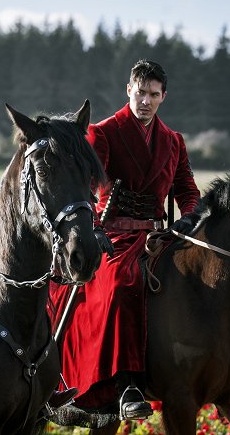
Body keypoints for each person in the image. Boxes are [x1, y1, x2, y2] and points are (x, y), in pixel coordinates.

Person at [49, 59, 200, 420]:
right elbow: (85, 189)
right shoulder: (103, 132)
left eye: (153, 94)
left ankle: (222, 369)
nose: (145, 100)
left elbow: (188, 192)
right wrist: (92, 229)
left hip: (159, 233)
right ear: (128, 89)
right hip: (111, 231)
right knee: (120, 283)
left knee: (202, 275)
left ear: (164, 96)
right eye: (140, 92)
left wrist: (192, 221)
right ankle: (126, 382)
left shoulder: (174, 141)